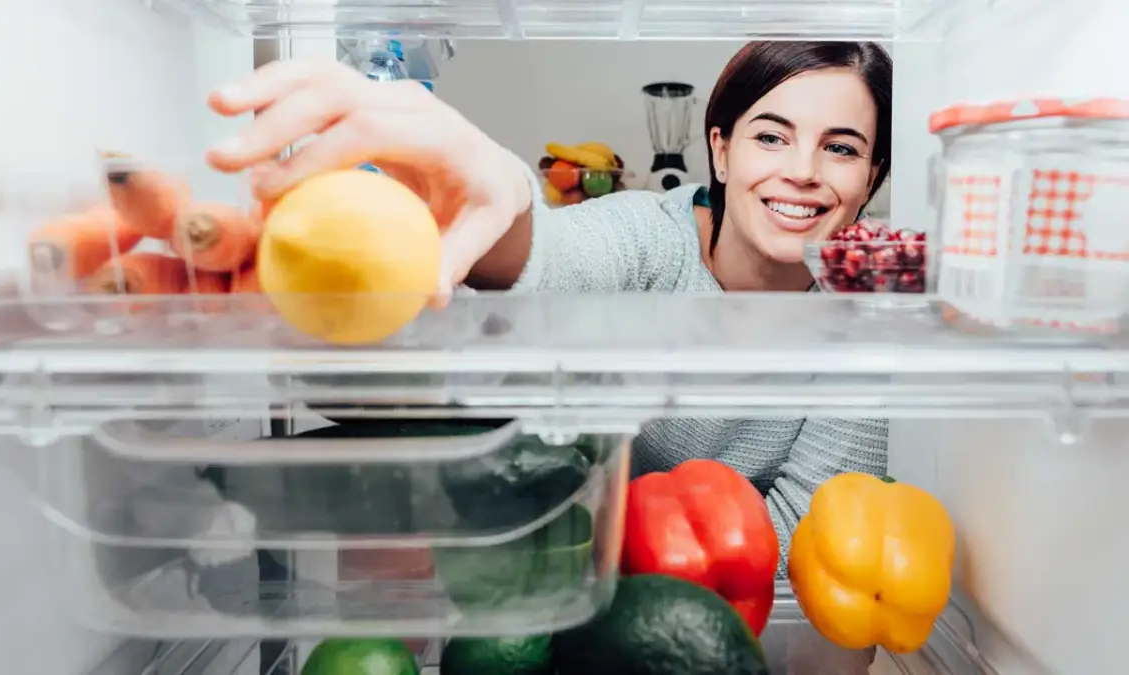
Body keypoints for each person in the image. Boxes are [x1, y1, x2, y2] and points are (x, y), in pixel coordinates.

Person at [204, 40, 892, 575]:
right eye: (771, 136)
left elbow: (816, 530)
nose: (802, 169)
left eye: (841, 148)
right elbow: (553, 258)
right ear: (719, 148)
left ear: (871, 180)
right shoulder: (650, 234)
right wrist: (502, 195)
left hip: (725, 610)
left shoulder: (864, 317)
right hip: (564, 576)